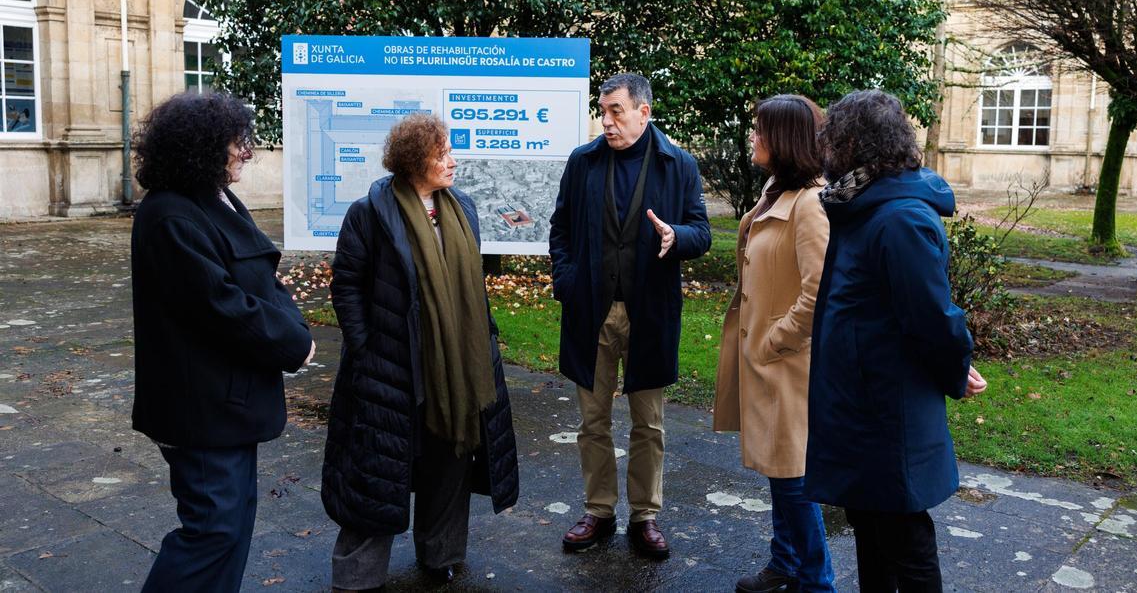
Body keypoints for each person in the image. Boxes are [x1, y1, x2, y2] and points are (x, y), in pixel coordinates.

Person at [320, 112, 518, 591]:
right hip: (391, 365)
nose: (453, 161)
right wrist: (366, 347)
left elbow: (470, 285)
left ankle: (440, 553)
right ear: (413, 161)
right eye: (442, 154)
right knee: (378, 469)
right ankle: (358, 575)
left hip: (459, 365)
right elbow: (346, 286)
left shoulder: (462, 206)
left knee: (450, 459)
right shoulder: (370, 212)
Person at [130, 91, 315, 592]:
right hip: (201, 408)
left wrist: (294, 330)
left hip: (229, 403)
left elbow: (261, 277)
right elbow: (221, 305)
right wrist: (294, 344)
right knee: (212, 532)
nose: (245, 152)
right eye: (236, 142)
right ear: (201, 148)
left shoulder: (214, 199)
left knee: (230, 531)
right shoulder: (170, 215)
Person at [805, 90, 988, 592]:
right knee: (871, 525)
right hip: (862, 404)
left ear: (855, 144)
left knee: (904, 539)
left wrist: (955, 368)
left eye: (833, 139)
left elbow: (932, 318)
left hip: (887, 410)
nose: (825, 150)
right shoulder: (862, 205)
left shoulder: (897, 218)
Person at [550, 73, 711, 559]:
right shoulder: (583, 162)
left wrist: (677, 236)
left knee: (649, 424)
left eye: (615, 111)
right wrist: (567, 281)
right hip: (590, 311)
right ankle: (599, 510)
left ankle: (645, 515)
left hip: (650, 313)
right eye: (603, 111)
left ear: (644, 112)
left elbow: (702, 231)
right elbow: (560, 228)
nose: (606, 121)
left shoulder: (677, 164)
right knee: (592, 421)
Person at [713, 95, 836, 593]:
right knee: (778, 472)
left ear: (785, 139)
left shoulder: (811, 204)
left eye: (761, 130)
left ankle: (817, 583)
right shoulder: (776, 190)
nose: (753, 136)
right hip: (766, 361)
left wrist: (773, 339)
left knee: (793, 478)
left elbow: (818, 293)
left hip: (787, 365)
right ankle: (784, 563)